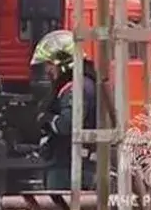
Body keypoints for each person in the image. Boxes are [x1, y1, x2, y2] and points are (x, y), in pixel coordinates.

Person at [29, 30, 97, 190]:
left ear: (64, 63)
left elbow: (66, 125)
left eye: (49, 65)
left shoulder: (76, 88)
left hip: (68, 168)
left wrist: (46, 119)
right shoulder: (85, 83)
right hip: (73, 164)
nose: (47, 71)